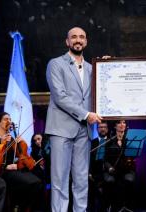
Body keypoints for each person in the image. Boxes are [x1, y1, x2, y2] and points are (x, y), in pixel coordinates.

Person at [45, 26, 102, 211]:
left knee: (81, 179)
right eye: (74, 37)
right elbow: (60, 97)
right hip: (61, 129)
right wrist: (86, 114)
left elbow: (102, 90)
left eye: (82, 37)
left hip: (83, 131)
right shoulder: (55, 64)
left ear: (86, 41)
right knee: (59, 180)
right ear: (67, 41)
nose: (78, 40)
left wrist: (108, 68)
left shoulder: (93, 68)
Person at [0, 112, 45, 212]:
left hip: (14, 170)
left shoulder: (11, 140)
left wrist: (21, 143)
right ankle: (18, 207)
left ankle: (23, 207)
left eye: (10, 119)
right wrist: (6, 167)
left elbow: (20, 156)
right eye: (6, 119)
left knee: (39, 180)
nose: (9, 121)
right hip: (1, 172)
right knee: (32, 183)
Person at [103, 119, 136, 211]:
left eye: (124, 122)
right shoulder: (109, 140)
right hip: (113, 170)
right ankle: (111, 205)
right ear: (114, 126)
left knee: (129, 179)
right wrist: (109, 167)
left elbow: (133, 156)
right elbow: (105, 159)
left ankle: (127, 205)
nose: (122, 124)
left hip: (127, 170)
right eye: (119, 122)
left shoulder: (131, 139)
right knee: (110, 181)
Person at [88, 121, 109, 211]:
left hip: (108, 172)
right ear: (97, 129)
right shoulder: (92, 143)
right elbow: (88, 159)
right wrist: (89, 173)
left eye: (104, 127)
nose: (103, 129)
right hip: (95, 173)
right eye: (100, 127)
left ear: (107, 129)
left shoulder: (111, 141)